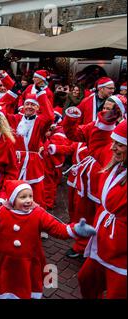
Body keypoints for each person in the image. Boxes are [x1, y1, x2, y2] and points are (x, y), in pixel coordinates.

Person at [0, 180, 96, 299]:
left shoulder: (38, 213)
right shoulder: (1, 211)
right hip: (5, 260)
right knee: (4, 285)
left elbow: (57, 229)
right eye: (22, 197)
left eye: (30, 196)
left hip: (28, 261)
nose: (28, 200)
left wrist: (75, 229)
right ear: (12, 199)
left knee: (25, 285)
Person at [78, 119, 127, 299]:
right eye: (114, 141)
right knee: (86, 280)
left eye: (120, 144)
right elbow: (97, 143)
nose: (113, 147)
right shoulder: (114, 160)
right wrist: (107, 118)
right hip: (103, 240)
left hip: (121, 251)